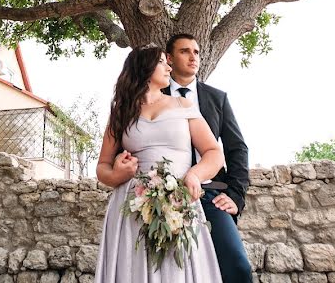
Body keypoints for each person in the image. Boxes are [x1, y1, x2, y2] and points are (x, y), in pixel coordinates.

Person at [95, 45, 225, 282]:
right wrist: (117, 175)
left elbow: (214, 153)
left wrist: (195, 175)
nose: (169, 66)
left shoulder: (183, 105)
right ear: (144, 67)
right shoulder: (121, 112)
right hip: (132, 207)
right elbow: (102, 166)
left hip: (178, 201)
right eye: (162, 62)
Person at [163, 33, 253, 283]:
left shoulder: (217, 98)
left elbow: (237, 149)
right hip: (164, 195)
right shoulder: (152, 96)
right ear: (169, 58)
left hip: (211, 194)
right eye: (184, 51)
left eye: (196, 51)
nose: (193, 56)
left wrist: (235, 195)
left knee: (237, 267)